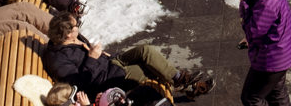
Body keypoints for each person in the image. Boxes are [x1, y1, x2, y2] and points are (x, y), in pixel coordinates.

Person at [44, 10, 213, 102]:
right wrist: (92, 58)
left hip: (111, 62)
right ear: (66, 35)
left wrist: (99, 56)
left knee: (145, 50)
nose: (78, 27)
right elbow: (79, 84)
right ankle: (187, 85)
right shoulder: (57, 60)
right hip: (107, 79)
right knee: (148, 70)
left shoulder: (72, 39)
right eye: (76, 26)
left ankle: (180, 79)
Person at [233, 0, 291, 106]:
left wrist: (243, 4)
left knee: (251, 98)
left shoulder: (267, 4)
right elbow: (262, 28)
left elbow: (253, 30)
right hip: (282, 55)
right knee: (276, 94)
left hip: (271, 61)